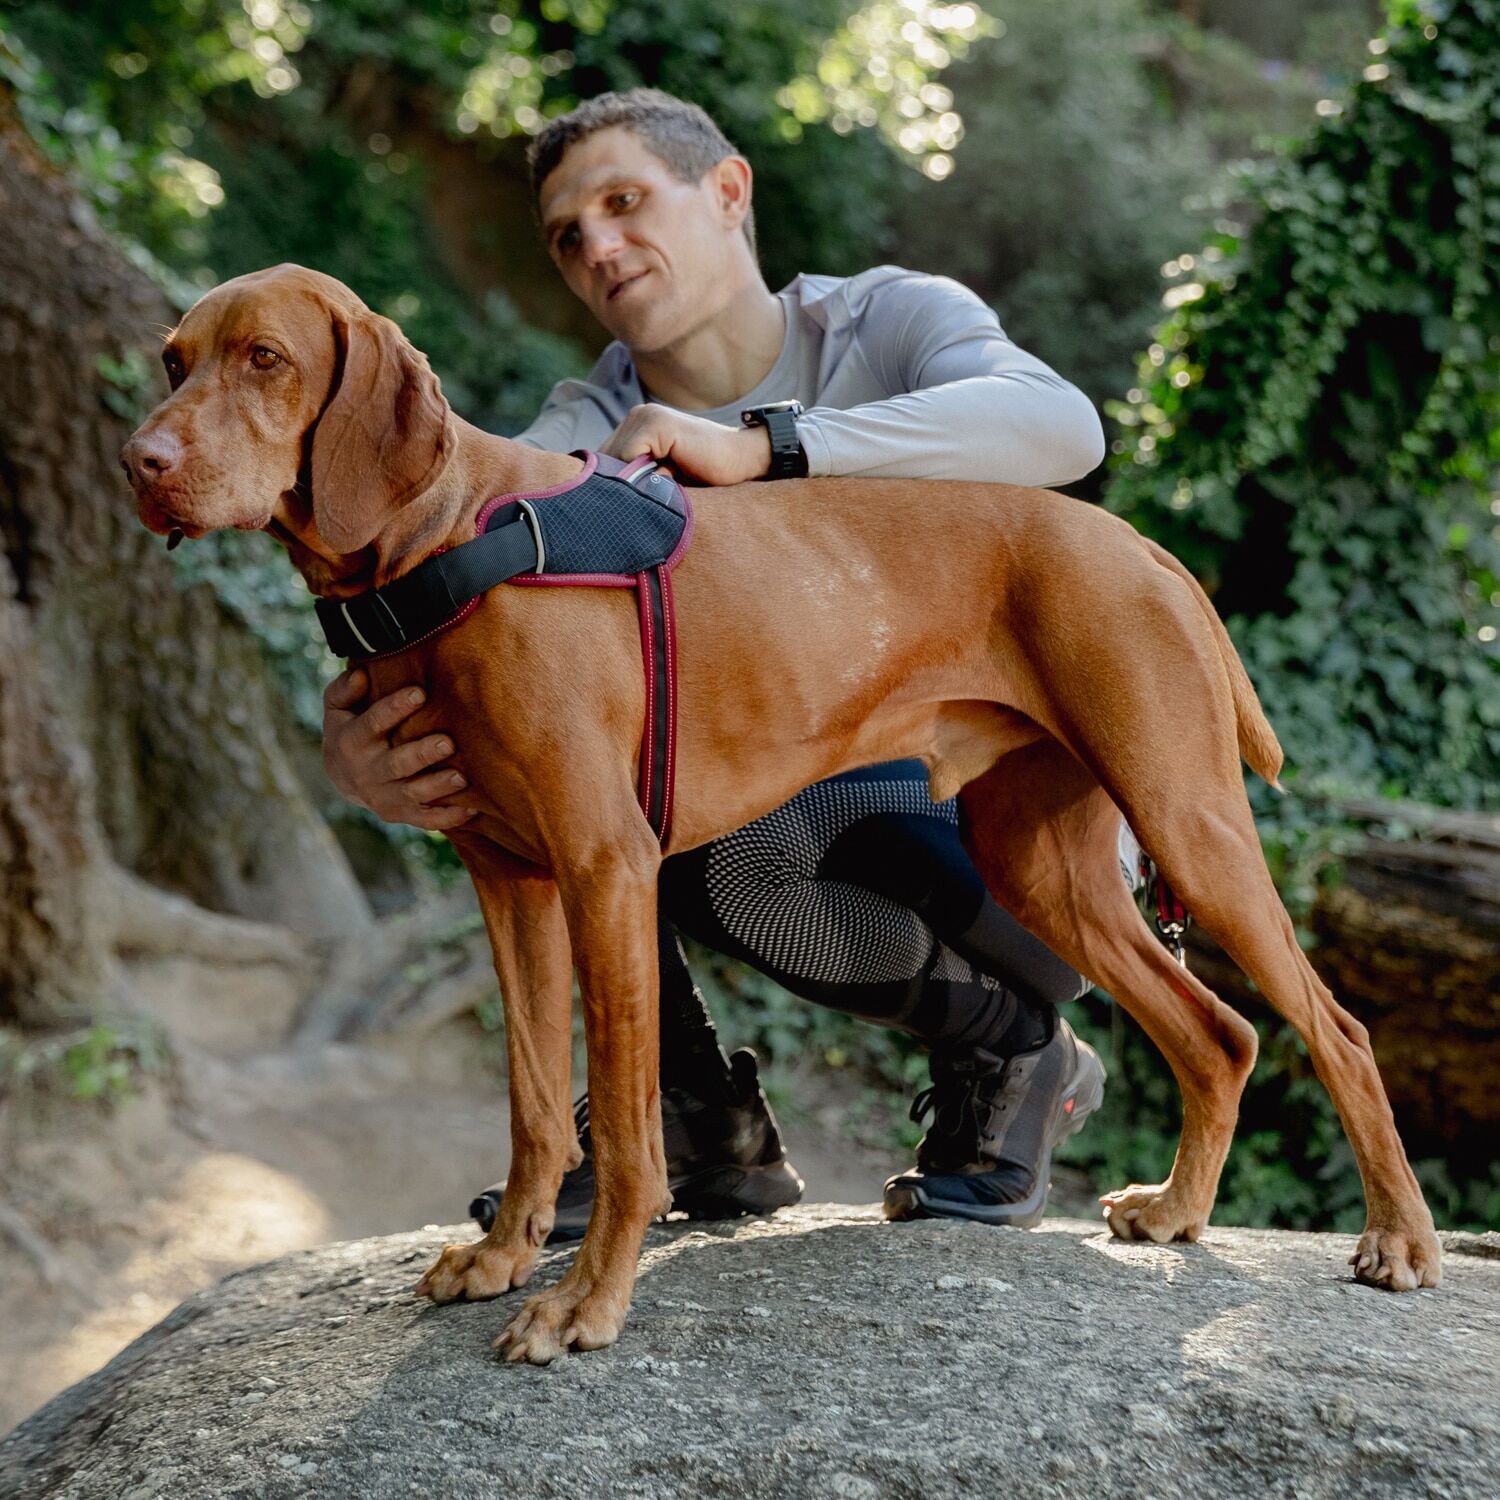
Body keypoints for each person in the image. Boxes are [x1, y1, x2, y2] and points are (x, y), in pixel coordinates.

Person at [322, 88, 1123, 1239]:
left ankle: (1011, 1045)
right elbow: (459, 610)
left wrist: (770, 447)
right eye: (567, 235)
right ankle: (688, 1114)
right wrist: (362, 745)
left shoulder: (886, 320)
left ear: (730, 191)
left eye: (625, 201)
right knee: (600, 786)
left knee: (771, 821)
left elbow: (1064, 429)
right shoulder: (582, 429)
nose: (598, 246)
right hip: (769, 807)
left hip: (1012, 805)